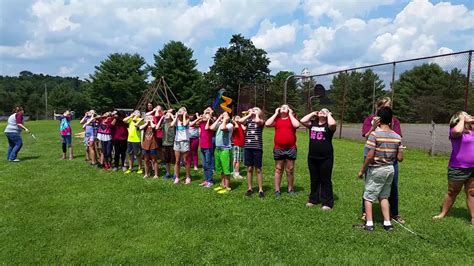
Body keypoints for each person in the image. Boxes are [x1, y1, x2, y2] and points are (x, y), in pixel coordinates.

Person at [354, 107, 404, 231]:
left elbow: (370, 155)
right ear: (391, 120)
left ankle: (369, 224)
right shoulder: (397, 136)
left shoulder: (374, 135)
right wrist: (400, 149)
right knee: (384, 196)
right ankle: (387, 223)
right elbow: (400, 158)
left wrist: (362, 170)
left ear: (378, 120)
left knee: (368, 196)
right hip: (390, 169)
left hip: (376, 169)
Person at [433, 111, 473, 226]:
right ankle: (443, 213)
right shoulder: (455, 131)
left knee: (472, 192)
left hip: (472, 168)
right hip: (458, 167)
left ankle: (473, 218)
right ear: (459, 118)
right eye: (466, 114)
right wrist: (462, 119)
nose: (469, 116)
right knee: (452, 192)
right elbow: (457, 131)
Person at [300, 108, 337, 210]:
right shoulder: (313, 124)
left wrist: (328, 114)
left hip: (326, 157)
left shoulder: (329, 126)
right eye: (320, 111)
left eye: (325, 111)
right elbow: (302, 121)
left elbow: (333, 124)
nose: (322, 111)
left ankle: (327, 203)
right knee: (314, 179)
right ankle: (313, 199)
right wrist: (312, 113)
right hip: (312, 156)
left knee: (325, 179)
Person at [265, 105, 300, 197]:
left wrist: (291, 114)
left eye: (286, 107)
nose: (284, 108)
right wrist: (276, 113)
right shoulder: (277, 119)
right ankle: (277, 190)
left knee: (290, 169)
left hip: (291, 148)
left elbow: (297, 125)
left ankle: (290, 189)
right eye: (282, 107)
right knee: (278, 169)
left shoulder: (292, 118)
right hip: (278, 148)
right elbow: (267, 124)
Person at [239, 107, 265, 198]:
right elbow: (240, 121)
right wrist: (249, 115)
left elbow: (258, 121)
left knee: (258, 169)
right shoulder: (248, 121)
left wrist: (256, 114)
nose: (253, 110)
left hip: (257, 148)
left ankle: (260, 189)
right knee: (249, 169)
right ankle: (249, 188)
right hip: (248, 148)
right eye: (253, 109)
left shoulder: (261, 121)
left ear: (260, 113)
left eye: (256, 109)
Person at [210, 112, 234, 194]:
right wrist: (218, 118)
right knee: (220, 169)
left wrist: (224, 120)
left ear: (228, 118)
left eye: (225, 115)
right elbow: (212, 128)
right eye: (222, 114)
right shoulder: (220, 123)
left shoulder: (230, 125)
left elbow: (223, 129)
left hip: (225, 149)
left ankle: (227, 187)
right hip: (218, 149)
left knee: (226, 169)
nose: (223, 115)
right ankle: (222, 184)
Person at [194, 107, 215, 188]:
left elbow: (207, 128)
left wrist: (209, 118)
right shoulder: (201, 123)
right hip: (202, 146)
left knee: (208, 164)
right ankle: (206, 180)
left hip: (208, 147)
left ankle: (210, 181)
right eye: (203, 116)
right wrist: (199, 118)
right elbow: (192, 124)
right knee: (204, 165)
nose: (203, 117)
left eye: (205, 116)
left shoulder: (210, 124)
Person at [171, 107, 191, 184]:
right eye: (178, 111)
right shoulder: (177, 120)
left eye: (181, 111)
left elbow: (185, 124)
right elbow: (172, 125)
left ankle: (188, 177)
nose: (179, 112)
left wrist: (184, 115)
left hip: (185, 141)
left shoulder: (187, 119)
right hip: (177, 141)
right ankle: (177, 177)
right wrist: (176, 117)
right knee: (177, 161)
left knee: (185, 161)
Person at [158, 109, 176, 180]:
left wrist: (172, 116)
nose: (166, 114)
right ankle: (168, 173)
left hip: (172, 143)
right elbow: (157, 127)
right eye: (166, 113)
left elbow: (174, 123)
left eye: (168, 113)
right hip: (165, 143)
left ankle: (175, 174)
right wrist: (162, 118)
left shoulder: (174, 122)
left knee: (174, 160)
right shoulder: (164, 123)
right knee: (167, 160)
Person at [231, 115, 246, 179]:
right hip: (237, 144)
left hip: (241, 144)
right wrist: (235, 122)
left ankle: (233, 171)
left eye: (239, 117)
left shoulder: (241, 125)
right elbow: (235, 128)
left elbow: (245, 129)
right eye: (237, 118)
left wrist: (241, 123)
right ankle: (236, 173)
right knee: (237, 160)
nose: (239, 118)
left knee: (237, 159)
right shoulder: (234, 125)